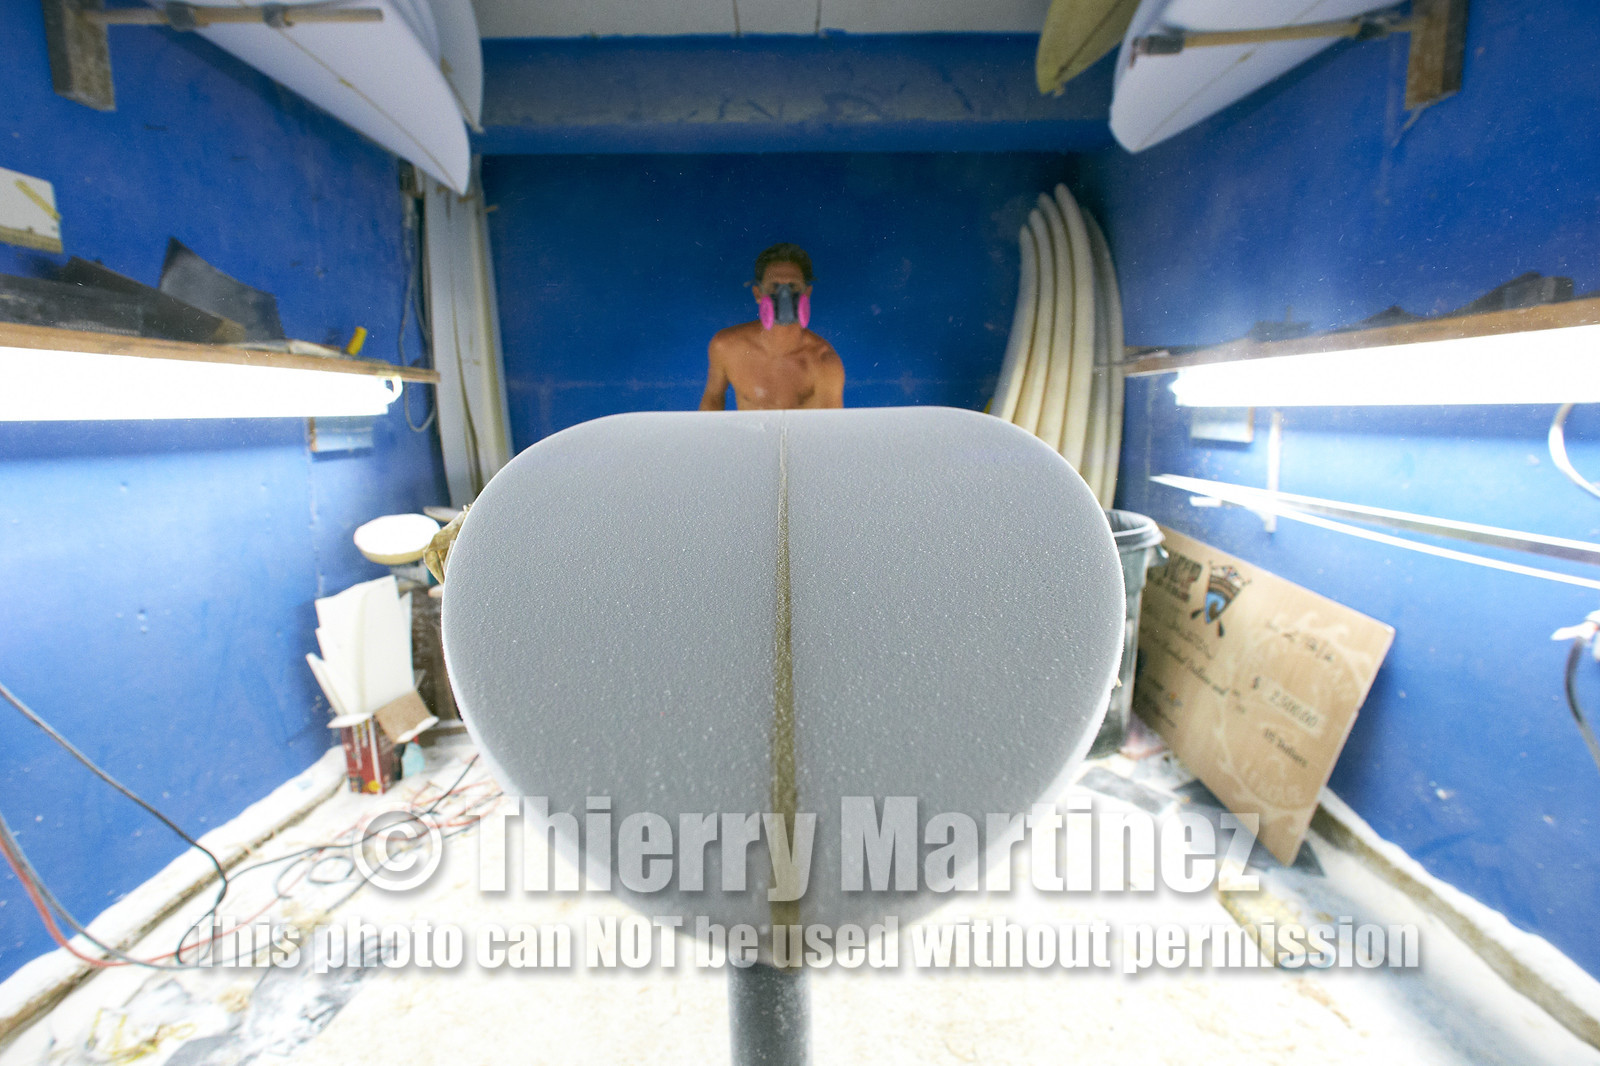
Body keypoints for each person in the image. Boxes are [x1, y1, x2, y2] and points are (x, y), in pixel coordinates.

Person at [700, 243, 845, 411]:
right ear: (758, 294)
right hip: (749, 437)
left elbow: (831, 428)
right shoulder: (726, 347)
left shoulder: (823, 362)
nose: (784, 295)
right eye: (774, 287)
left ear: (807, 293)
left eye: (792, 287)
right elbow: (712, 402)